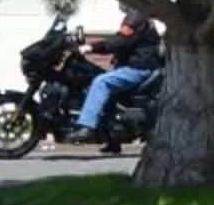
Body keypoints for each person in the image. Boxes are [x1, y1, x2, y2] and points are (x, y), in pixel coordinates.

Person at [67, 11, 163, 148]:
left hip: (137, 68)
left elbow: (119, 41)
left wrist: (90, 47)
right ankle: (113, 140)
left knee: (101, 82)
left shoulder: (135, 17)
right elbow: (120, 39)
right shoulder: (140, 17)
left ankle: (86, 126)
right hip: (137, 66)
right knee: (106, 93)